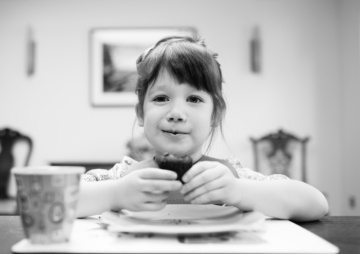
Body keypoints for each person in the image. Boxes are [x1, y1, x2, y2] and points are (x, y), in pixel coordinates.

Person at [77, 35, 329, 221]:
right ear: (141, 113)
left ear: (215, 115)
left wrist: (238, 191)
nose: (176, 113)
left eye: (194, 99)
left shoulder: (231, 177)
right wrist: (115, 194)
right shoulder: (122, 177)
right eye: (161, 98)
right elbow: (51, 202)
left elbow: (316, 204)